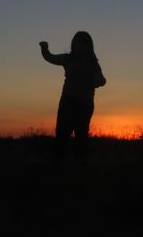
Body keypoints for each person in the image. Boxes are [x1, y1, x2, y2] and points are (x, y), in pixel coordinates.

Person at [39, 31, 106, 164]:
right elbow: (50, 57)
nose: (79, 46)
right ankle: (58, 165)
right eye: (77, 43)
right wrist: (44, 48)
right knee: (62, 135)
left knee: (81, 136)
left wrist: (96, 81)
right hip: (68, 102)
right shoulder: (67, 59)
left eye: (83, 44)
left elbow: (102, 80)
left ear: (88, 46)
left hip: (85, 104)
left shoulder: (93, 64)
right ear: (73, 45)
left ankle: (80, 167)